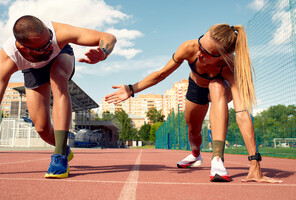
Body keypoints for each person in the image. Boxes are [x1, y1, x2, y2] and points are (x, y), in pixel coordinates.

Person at [0, 15, 116, 179]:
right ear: (23, 48)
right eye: (43, 48)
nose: (49, 48)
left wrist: (103, 52)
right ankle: (62, 146)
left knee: (58, 76)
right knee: (42, 129)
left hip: (61, 58)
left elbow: (108, 37)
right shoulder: (8, 59)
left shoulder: (58, 35)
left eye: (49, 42)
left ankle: (60, 155)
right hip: (33, 70)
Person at [105, 24, 282, 183]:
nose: (199, 53)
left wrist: (255, 162)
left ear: (222, 57)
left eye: (205, 53)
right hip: (196, 88)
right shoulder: (189, 47)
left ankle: (217, 159)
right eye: (201, 45)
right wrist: (131, 89)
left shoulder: (230, 67)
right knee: (193, 130)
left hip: (221, 90)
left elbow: (242, 113)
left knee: (216, 86)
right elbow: (161, 74)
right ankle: (196, 155)